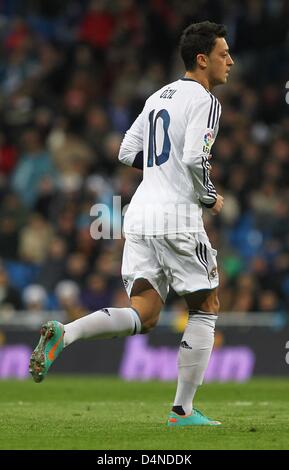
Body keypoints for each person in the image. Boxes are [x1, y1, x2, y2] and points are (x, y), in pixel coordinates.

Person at [29, 21, 234, 426]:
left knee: (145, 312)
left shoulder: (158, 96)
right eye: (224, 53)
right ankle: (182, 411)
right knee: (206, 306)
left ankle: (65, 333)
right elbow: (195, 159)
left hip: (138, 213)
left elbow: (126, 151)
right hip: (176, 215)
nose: (230, 61)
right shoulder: (206, 100)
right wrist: (209, 196)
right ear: (202, 59)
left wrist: (161, 168)